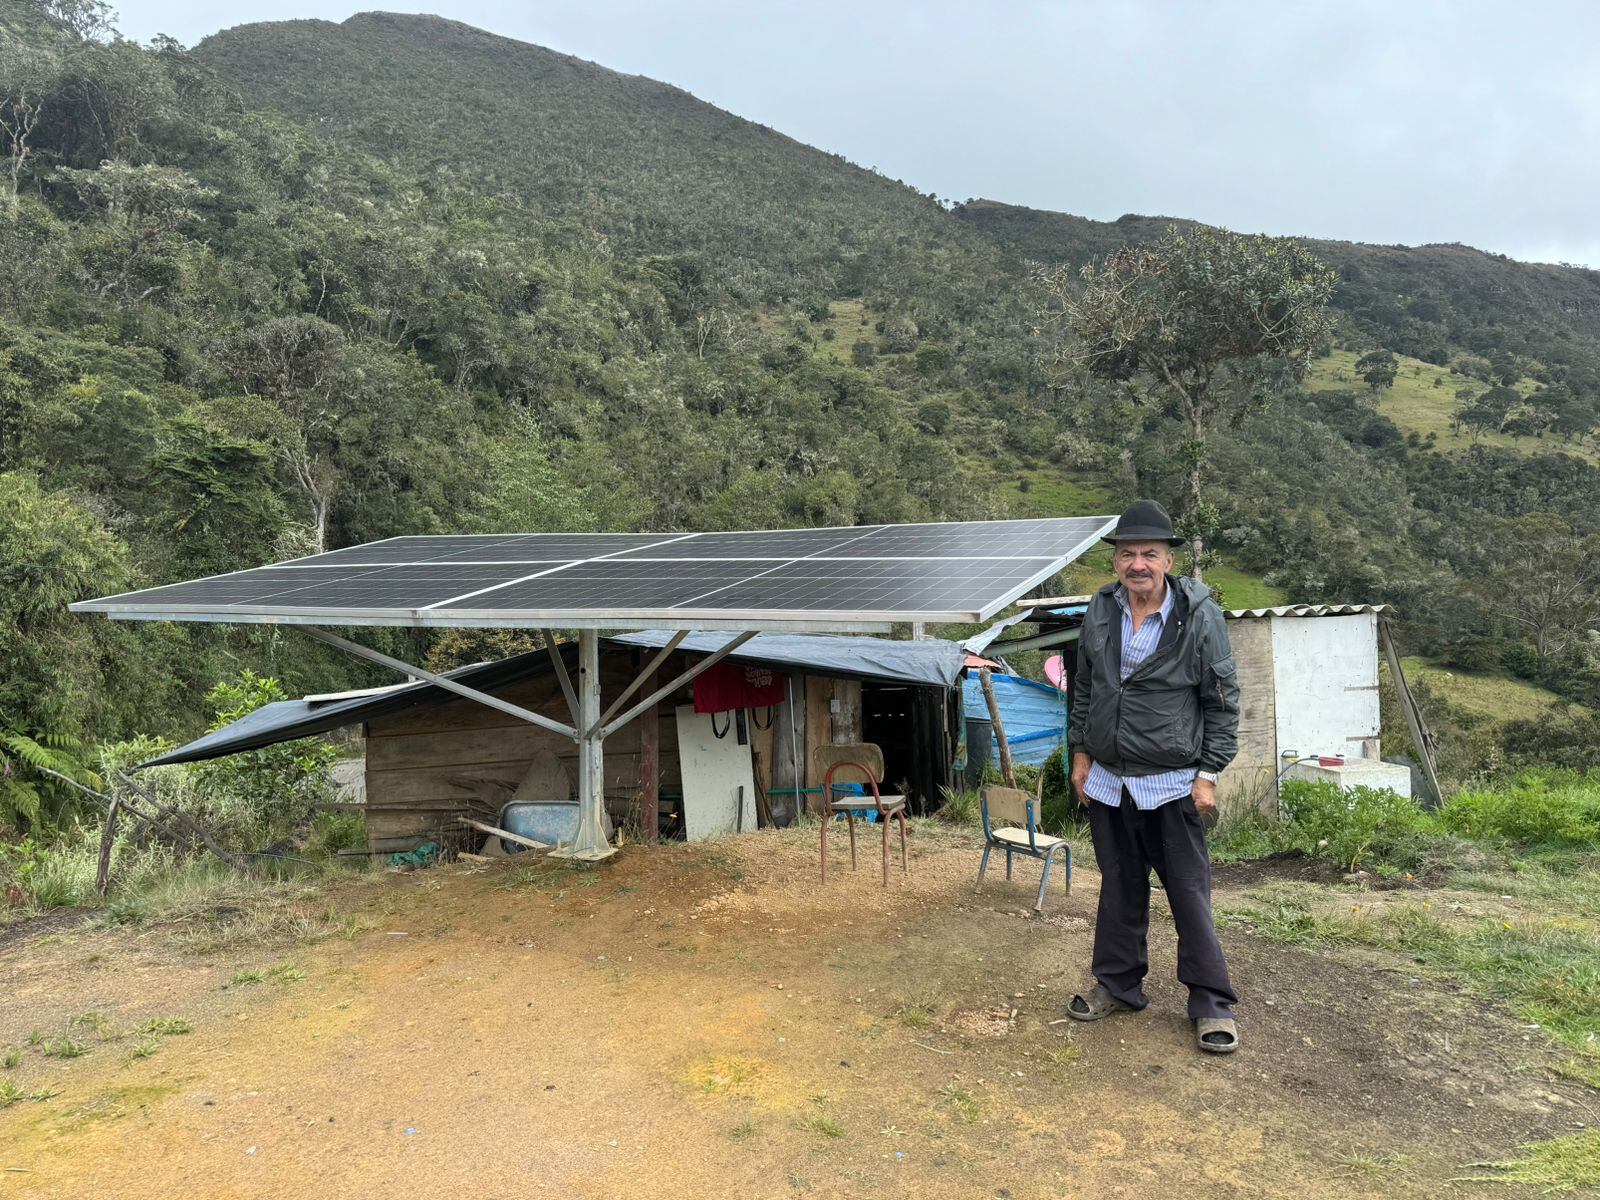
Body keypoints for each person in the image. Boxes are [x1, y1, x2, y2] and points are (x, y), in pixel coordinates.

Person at [1064, 499, 1242, 1054]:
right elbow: (1085, 688)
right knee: (1119, 888)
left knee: (1189, 894)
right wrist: (1080, 753)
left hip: (1170, 782)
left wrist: (1208, 773)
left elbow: (1222, 700)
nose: (1136, 564)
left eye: (1148, 554)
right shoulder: (1100, 610)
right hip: (1109, 780)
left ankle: (1211, 1004)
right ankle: (1118, 985)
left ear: (1167, 560)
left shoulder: (1198, 616)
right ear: (1115, 562)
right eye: (1126, 555)